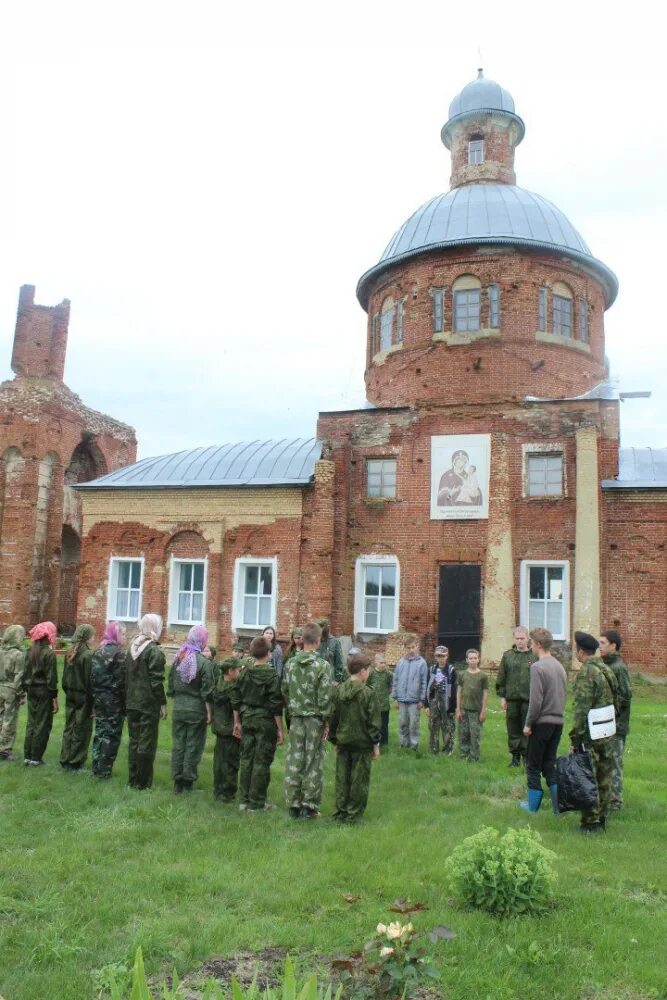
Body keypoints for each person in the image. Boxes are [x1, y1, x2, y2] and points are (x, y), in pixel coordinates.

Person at [282, 621, 334, 819]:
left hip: (295, 717)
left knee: (294, 758)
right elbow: (325, 698)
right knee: (313, 761)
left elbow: (284, 690)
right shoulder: (322, 666)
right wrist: (326, 721)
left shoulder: (290, 664)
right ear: (319, 641)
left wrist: (294, 707)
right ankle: (308, 806)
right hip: (315, 719)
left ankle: (293, 804)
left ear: (302, 640)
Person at [570, 631, 617, 834]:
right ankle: (603, 817)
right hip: (607, 729)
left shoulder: (587, 673)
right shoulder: (606, 669)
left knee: (588, 776)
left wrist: (575, 737)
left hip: (591, 733)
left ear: (581, 652)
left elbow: (581, 708)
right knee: (604, 776)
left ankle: (590, 822)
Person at [232, 635, 284, 812]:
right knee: (261, 761)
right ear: (268, 653)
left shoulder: (244, 672)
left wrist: (237, 722)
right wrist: (280, 729)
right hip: (265, 721)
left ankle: (244, 801)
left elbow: (236, 698)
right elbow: (276, 705)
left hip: (247, 719)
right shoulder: (271, 676)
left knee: (247, 758)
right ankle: (257, 802)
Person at [519, 627, 568, 814]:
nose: (530, 645)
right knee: (549, 763)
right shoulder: (559, 666)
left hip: (542, 723)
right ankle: (558, 808)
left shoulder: (537, 667)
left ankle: (532, 807)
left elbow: (536, 701)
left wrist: (528, 724)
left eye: (531, 642)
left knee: (532, 765)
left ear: (538, 645)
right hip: (558, 722)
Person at [328, 652, 381, 823]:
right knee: (359, 779)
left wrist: (335, 739)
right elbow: (374, 722)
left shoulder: (338, 690)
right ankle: (354, 815)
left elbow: (333, 718)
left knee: (342, 777)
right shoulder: (368, 694)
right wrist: (375, 745)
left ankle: (341, 811)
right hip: (362, 743)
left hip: (343, 741)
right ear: (362, 671)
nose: (370, 673)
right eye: (369, 670)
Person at [168, 625, 213, 793]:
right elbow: (207, 691)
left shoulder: (178, 658)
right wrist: (210, 712)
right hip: (196, 709)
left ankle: (177, 781)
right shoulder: (203, 662)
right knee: (193, 745)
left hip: (179, 708)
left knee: (178, 744)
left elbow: (171, 686)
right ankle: (188, 781)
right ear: (202, 640)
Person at [125, 613, 167, 790]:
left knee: (134, 741)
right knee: (146, 743)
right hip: (147, 704)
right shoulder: (154, 650)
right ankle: (142, 783)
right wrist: (162, 703)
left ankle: (133, 778)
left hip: (131, 702)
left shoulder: (132, 646)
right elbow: (156, 681)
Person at [599, 629, 632, 812]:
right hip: (603, 724)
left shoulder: (618, 666)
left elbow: (626, 696)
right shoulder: (605, 664)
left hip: (616, 726)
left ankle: (615, 803)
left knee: (615, 764)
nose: (600, 646)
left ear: (614, 645)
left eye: (603, 643)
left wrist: (610, 710)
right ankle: (604, 798)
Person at [90, 621, 127, 779]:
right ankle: (105, 771)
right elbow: (122, 680)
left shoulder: (98, 650)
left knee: (100, 730)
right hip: (113, 699)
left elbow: (91, 676)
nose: (125, 637)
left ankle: (96, 765)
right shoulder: (119, 654)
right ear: (117, 634)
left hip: (98, 696)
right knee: (111, 734)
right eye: (123, 634)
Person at [496, 626, 536, 767]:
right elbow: (501, 677)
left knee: (527, 728)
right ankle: (515, 757)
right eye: (517, 638)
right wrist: (502, 697)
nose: (520, 641)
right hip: (511, 699)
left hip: (528, 699)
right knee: (513, 728)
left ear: (527, 639)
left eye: (522, 638)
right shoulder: (508, 656)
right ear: (514, 639)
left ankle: (526, 756)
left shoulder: (534, 656)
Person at [60, 624, 95, 771]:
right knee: (82, 728)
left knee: (69, 726)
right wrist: (93, 702)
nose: (94, 638)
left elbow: (64, 679)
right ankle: (75, 761)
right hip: (84, 696)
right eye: (93, 635)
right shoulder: (88, 655)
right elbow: (90, 680)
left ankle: (65, 758)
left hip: (70, 694)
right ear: (87, 637)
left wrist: (68, 690)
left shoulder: (69, 652)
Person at [23, 622, 59, 766]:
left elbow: (25, 674)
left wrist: (26, 689)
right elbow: (52, 678)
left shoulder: (30, 651)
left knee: (31, 723)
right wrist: (54, 697)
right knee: (42, 724)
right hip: (44, 692)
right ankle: (36, 758)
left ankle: (27, 755)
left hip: (31, 691)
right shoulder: (49, 654)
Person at [210, 656, 242, 802]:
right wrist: (237, 724)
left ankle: (218, 789)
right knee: (231, 761)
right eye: (238, 670)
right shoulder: (233, 688)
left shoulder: (218, 684)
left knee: (219, 760)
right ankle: (228, 793)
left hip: (218, 728)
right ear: (230, 671)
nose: (240, 672)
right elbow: (236, 707)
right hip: (230, 730)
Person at [391, 635, 428, 750]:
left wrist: (422, 699)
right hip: (401, 699)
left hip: (415, 700)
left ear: (416, 646)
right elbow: (395, 680)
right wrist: (395, 698)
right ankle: (403, 744)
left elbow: (424, 682)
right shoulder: (400, 662)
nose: (411, 650)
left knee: (413, 724)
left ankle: (414, 746)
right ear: (405, 648)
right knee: (402, 723)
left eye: (413, 647)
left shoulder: (422, 663)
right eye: (408, 648)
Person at [456, 649, 488, 761]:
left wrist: (483, 711)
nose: (473, 660)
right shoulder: (462, 674)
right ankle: (464, 755)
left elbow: (485, 693)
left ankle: (474, 756)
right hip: (464, 709)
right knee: (463, 734)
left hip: (476, 710)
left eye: (475, 658)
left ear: (478, 659)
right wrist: (458, 709)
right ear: (467, 660)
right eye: (470, 658)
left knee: (475, 735)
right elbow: (459, 692)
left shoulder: (483, 676)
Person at [0, 625, 26, 761]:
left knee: (0, 717)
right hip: (10, 689)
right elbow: (19, 676)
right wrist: (21, 694)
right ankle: (4, 750)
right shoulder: (18, 654)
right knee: (9, 720)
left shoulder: (0, 651)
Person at [425, 645, 457, 755]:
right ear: (435, 656)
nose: (441, 658)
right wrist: (426, 706)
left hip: (447, 702)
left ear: (447, 656)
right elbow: (427, 688)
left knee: (447, 726)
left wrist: (453, 708)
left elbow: (454, 690)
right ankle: (433, 750)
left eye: (443, 656)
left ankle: (447, 750)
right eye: (438, 656)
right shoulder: (431, 669)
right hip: (434, 701)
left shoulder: (451, 670)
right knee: (433, 725)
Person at [368, 651, 393, 747]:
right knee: (374, 725)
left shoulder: (388, 674)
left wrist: (386, 694)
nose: (383, 665)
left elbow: (390, 687)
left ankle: (384, 743)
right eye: (381, 663)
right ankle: (373, 742)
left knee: (384, 725)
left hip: (384, 705)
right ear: (376, 662)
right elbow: (367, 686)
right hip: (373, 705)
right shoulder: (371, 673)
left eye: (384, 663)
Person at [316, 617, 345, 683]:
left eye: (321, 627)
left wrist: (337, 681)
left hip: (330, 679)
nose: (320, 630)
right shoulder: (315, 641)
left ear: (327, 628)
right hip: (316, 678)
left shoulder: (334, 642)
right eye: (318, 627)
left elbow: (339, 663)